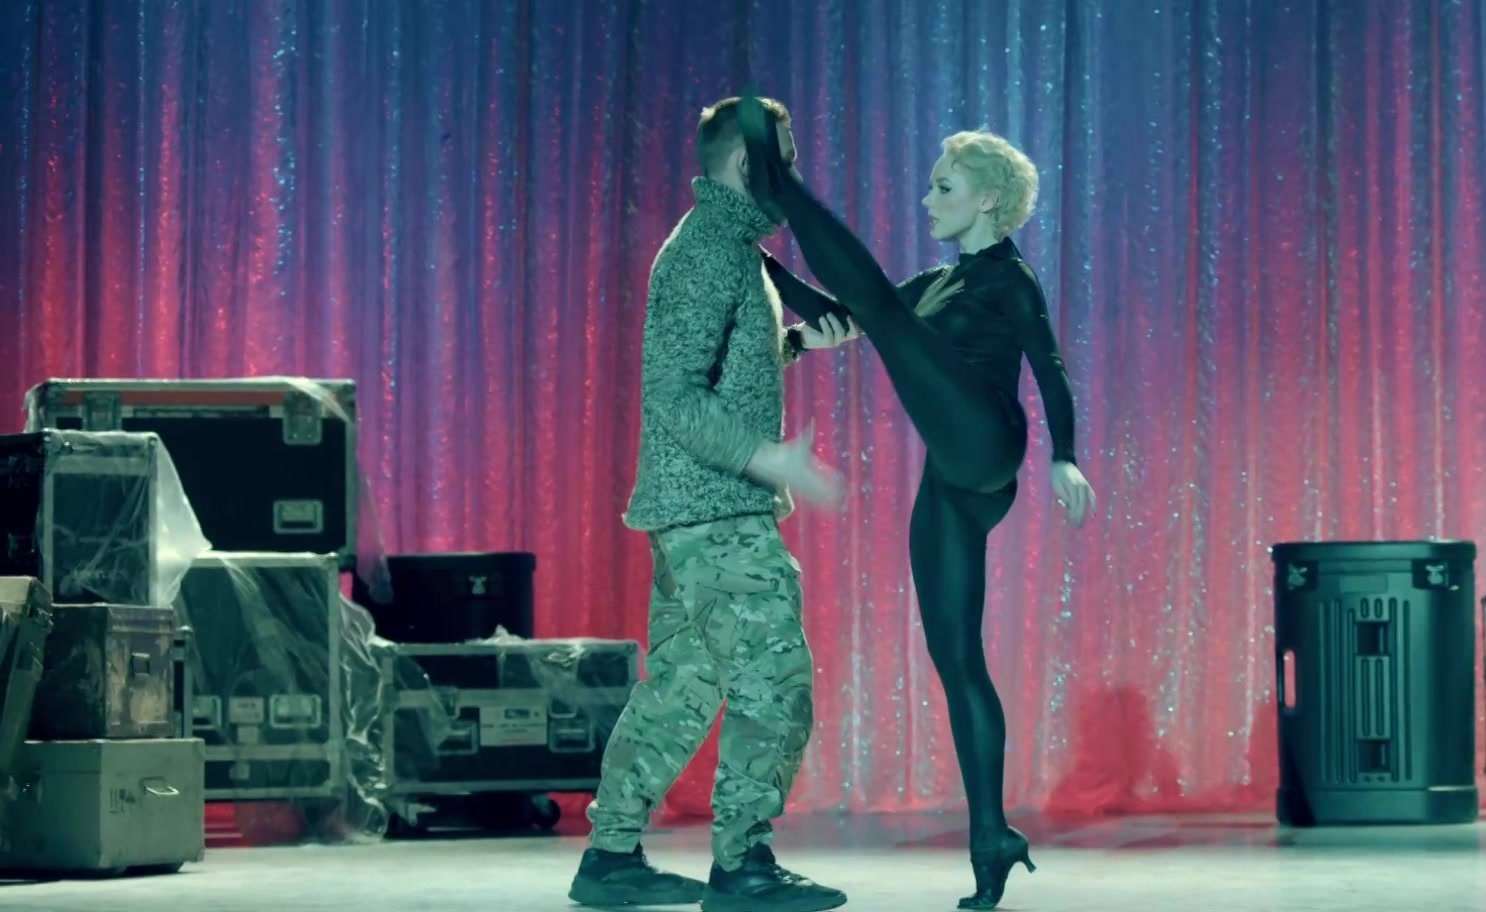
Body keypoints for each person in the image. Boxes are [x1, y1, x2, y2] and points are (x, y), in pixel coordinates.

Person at [738, 91, 1096, 910]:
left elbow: (1049, 367)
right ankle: (991, 838)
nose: (927, 199)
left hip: (988, 442)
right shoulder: (935, 282)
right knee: (955, 659)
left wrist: (1066, 457)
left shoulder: (1010, 279)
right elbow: (846, 312)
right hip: (953, 481)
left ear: (988, 200)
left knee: (884, 315)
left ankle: (780, 184)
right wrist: (758, 263)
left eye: (943, 187)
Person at [568, 95, 855, 912]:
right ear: (743, 163)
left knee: (682, 688)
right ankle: (744, 864)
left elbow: (717, 367)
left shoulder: (730, 248)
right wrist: (771, 460)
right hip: (716, 512)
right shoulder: (707, 252)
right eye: (783, 159)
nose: (793, 175)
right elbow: (674, 394)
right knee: (775, 679)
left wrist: (793, 344)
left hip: (697, 511)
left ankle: (611, 857)